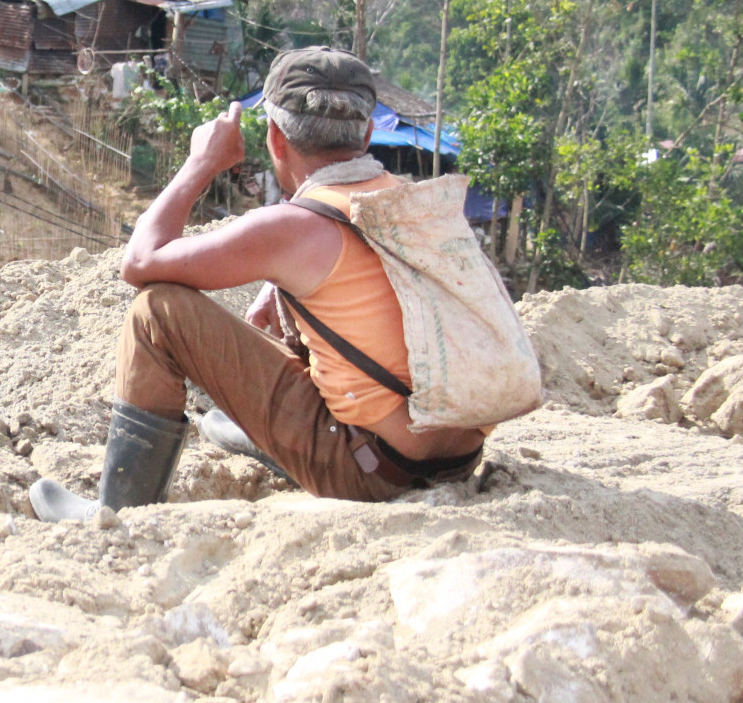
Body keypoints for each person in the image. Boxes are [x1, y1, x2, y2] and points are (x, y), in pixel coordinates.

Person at [30, 47, 492, 519]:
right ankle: (264, 435)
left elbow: (140, 261)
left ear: (274, 137)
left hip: (371, 472)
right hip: (457, 460)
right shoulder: (409, 203)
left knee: (157, 313)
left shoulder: (288, 227)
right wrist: (280, 285)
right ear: (369, 133)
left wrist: (200, 163)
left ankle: (117, 510)